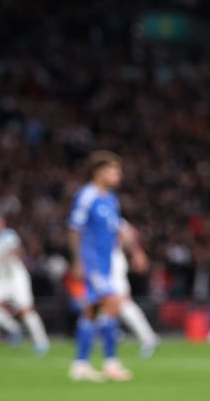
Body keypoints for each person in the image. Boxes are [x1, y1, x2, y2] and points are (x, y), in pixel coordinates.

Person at [67, 150, 133, 382]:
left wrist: (127, 240)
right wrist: (77, 260)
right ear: (99, 172)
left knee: (91, 312)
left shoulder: (111, 198)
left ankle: (80, 365)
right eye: (114, 169)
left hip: (106, 262)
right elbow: (74, 228)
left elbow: (115, 226)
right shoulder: (87, 195)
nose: (119, 174)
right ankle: (111, 362)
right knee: (113, 302)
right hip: (92, 261)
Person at [0, 212, 50, 355]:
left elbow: (17, 251)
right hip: (1, 278)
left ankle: (42, 342)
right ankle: (15, 330)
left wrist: (5, 257)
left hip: (16, 276)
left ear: (1, 223)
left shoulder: (9, 235)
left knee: (26, 310)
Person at [110, 218, 159, 358]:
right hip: (98, 263)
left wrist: (137, 253)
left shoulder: (105, 208)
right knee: (98, 302)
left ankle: (148, 338)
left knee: (123, 303)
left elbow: (127, 231)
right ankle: (114, 333)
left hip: (111, 263)